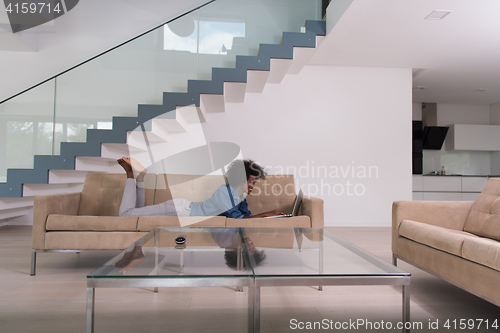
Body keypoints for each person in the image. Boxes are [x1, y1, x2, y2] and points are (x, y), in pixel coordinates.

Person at [117, 157, 285, 218]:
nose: (252, 187)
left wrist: (270, 217)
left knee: (135, 217)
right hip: (180, 211)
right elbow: (237, 219)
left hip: (182, 210)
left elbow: (247, 219)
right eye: (251, 182)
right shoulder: (224, 192)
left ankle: (140, 178)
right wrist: (267, 213)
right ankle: (131, 175)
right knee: (127, 215)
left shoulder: (240, 198)